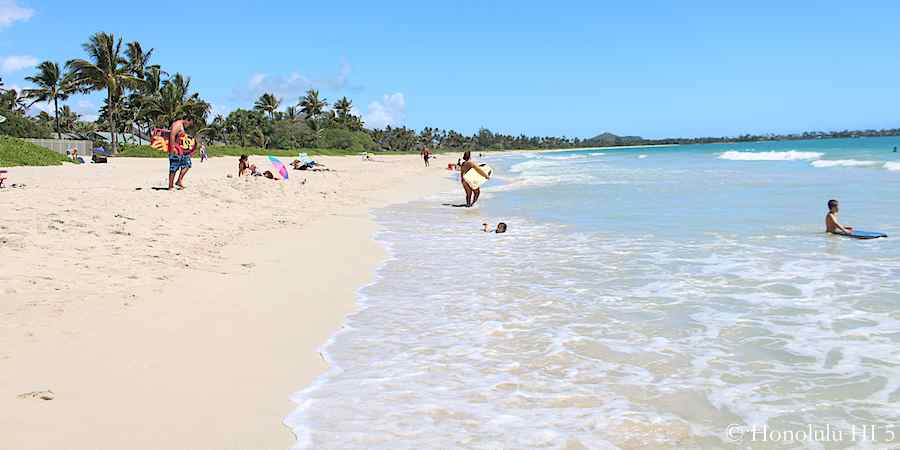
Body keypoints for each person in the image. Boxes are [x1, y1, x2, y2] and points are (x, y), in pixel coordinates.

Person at [167, 118, 194, 190]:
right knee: (174, 167)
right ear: (186, 120)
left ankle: (179, 180)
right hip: (175, 149)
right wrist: (173, 148)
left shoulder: (181, 125)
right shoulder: (177, 125)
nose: (188, 126)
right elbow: (172, 135)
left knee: (187, 164)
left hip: (181, 150)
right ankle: (170, 186)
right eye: (189, 123)